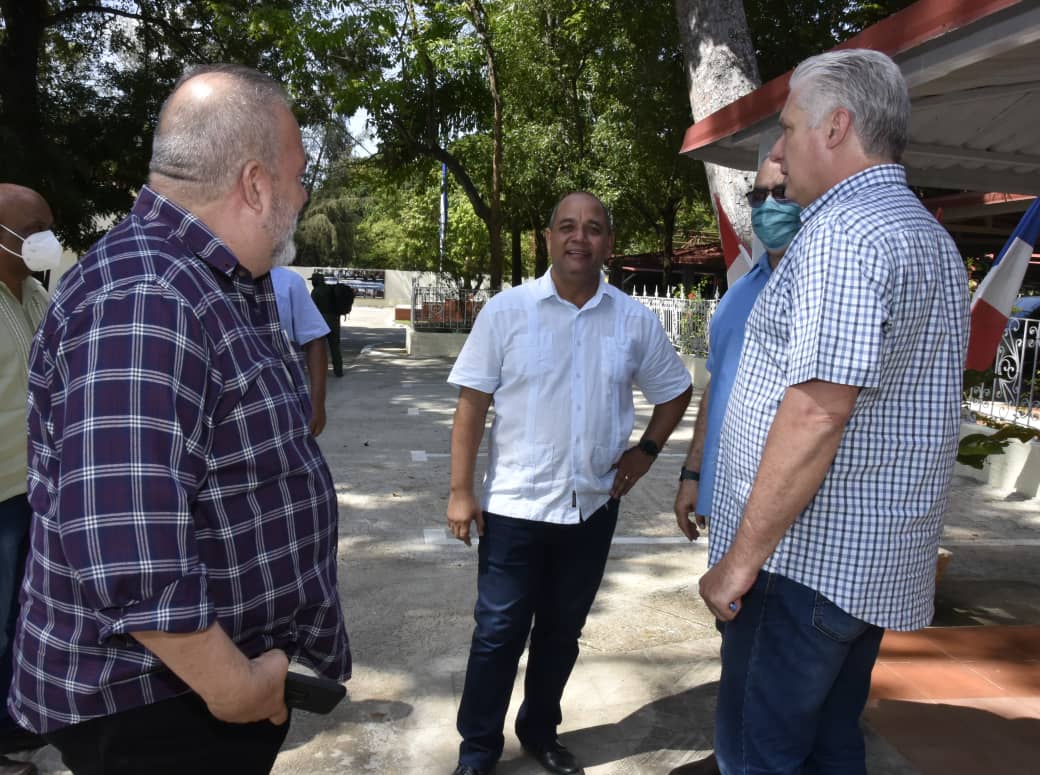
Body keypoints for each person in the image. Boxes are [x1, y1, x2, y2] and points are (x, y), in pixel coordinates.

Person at [7, 65, 351, 775]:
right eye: (297, 174)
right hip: (157, 709)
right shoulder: (148, 296)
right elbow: (130, 547)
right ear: (255, 184)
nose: (303, 192)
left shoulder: (203, 280)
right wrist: (236, 687)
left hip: (182, 697)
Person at [700, 49, 969, 775]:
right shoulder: (928, 238)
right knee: (829, 747)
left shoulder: (843, 234)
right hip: (864, 570)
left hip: (801, 568)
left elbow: (818, 410)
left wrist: (738, 563)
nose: (779, 150)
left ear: (837, 126)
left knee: (758, 755)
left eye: (789, 127)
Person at [447, 191, 693, 775]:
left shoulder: (633, 320)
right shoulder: (506, 312)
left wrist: (647, 452)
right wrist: (461, 491)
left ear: (609, 242)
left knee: (561, 634)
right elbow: (472, 405)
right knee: (498, 635)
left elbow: (676, 389)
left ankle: (539, 731)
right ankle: (477, 751)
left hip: (591, 507)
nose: (579, 238)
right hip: (515, 507)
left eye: (593, 228)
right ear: (550, 239)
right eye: (566, 227)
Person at [668, 158, 800, 775]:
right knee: (742, 661)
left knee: (771, 692)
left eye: (783, 190)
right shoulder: (744, 286)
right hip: (728, 506)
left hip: (783, 523)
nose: (769, 204)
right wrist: (694, 474)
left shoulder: (817, 283)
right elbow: (716, 387)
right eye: (758, 193)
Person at [0, 184, 61, 775]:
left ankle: (15, 727)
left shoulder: (37, 295)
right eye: (38, 224)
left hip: (38, 487)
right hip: (0, 493)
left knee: (25, 615)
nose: (48, 234)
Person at [271, 266, 330, 436]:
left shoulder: (288, 282)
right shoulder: (204, 279)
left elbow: (315, 338)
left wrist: (317, 404)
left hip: (283, 402)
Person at [310, 271, 344, 377]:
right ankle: (338, 370)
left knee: (319, 347)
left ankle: (319, 371)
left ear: (316, 281)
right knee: (335, 346)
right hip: (334, 320)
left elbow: (312, 308)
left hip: (321, 320)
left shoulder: (316, 291)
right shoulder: (331, 289)